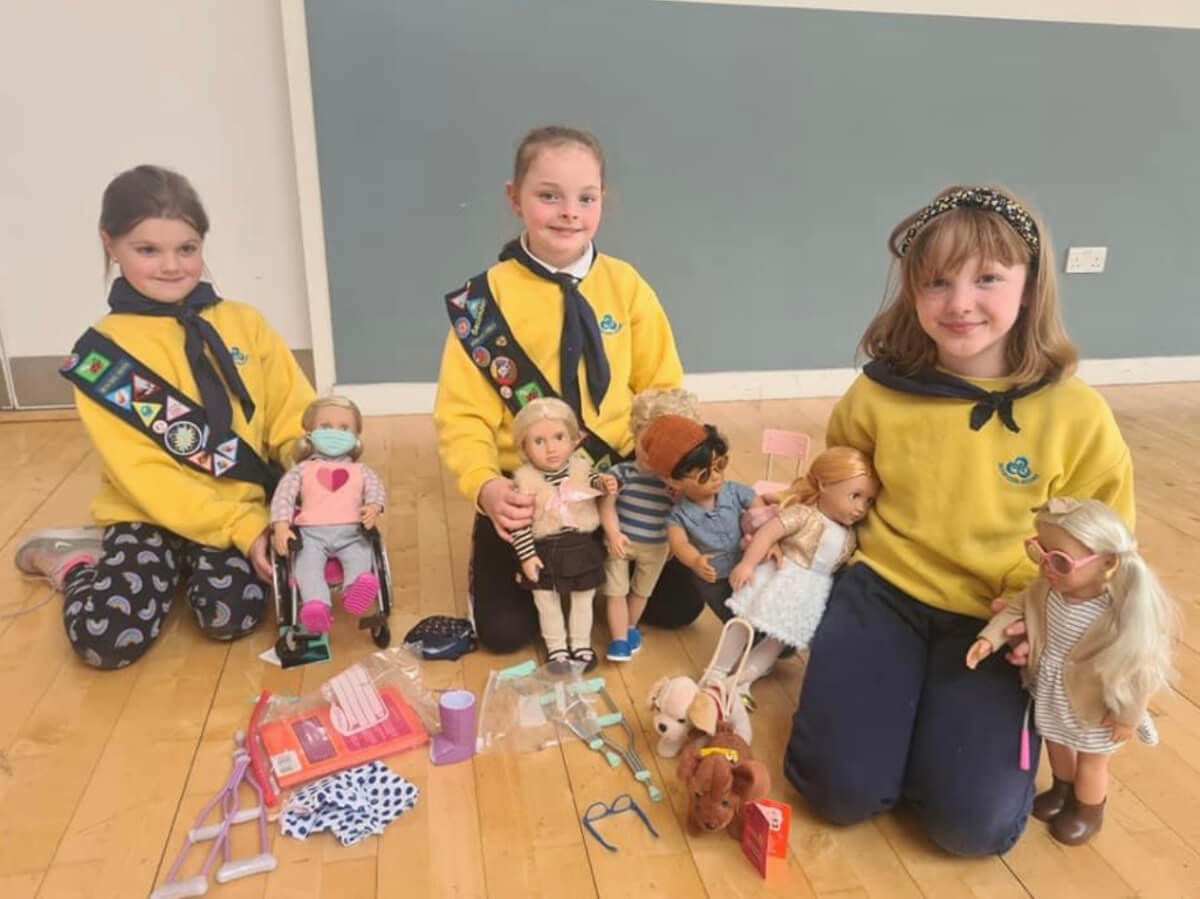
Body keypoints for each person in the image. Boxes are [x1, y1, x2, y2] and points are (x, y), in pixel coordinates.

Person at [784, 185, 1134, 856]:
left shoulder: (1077, 414)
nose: (959, 301)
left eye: (988, 278)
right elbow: (835, 489)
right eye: (936, 281)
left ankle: (942, 742)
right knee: (838, 791)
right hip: (883, 593)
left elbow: (1110, 550)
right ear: (913, 292)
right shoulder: (878, 393)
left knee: (971, 827)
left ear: (1030, 288)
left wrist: (1055, 627)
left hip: (1001, 615)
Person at [15, 164, 314, 668]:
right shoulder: (102, 355)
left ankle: (178, 573)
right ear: (109, 244)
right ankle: (76, 564)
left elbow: (292, 415)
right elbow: (146, 477)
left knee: (232, 615)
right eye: (148, 250)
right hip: (149, 512)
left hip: (237, 501)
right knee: (105, 640)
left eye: (187, 249)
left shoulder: (245, 322)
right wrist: (245, 528)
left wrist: (312, 471)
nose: (171, 266)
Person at [433, 125, 694, 653]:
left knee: (680, 607)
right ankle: (531, 565)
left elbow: (663, 389)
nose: (569, 211)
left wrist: (668, 463)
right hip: (530, 493)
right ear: (515, 198)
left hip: (616, 483)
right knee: (504, 636)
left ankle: (596, 568)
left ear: (602, 201)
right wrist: (486, 486)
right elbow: (462, 418)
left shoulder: (627, 287)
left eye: (586, 198)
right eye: (548, 195)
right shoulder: (483, 306)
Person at [967, 498, 1176, 846]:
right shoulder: (1046, 591)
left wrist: (1128, 716)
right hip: (1052, 691)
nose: (1047, 567)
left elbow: (1139, 668)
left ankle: (1088, 810)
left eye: (1060, 561)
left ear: (1107, 562)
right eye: (1039, 552)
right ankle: (1061, 791)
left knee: (1092, 764)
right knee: (1057, 745)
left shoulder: (1119, 615)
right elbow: (1017, 607)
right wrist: (989, 638)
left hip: (1097, 704)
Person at [270, 395, 385, 634]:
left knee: (360, 555)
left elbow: (375, 489)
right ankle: (316, 606)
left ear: (355, 437)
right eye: (325, 427)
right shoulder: (302, 470)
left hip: (352, 532)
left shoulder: (360, 470)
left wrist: (373, 507)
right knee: (306, 566)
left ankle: (356, 589)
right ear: (309, 433)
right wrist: (281, 525)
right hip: (311, 534)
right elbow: (284, 496)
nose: (334, 433)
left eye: (344, 428)